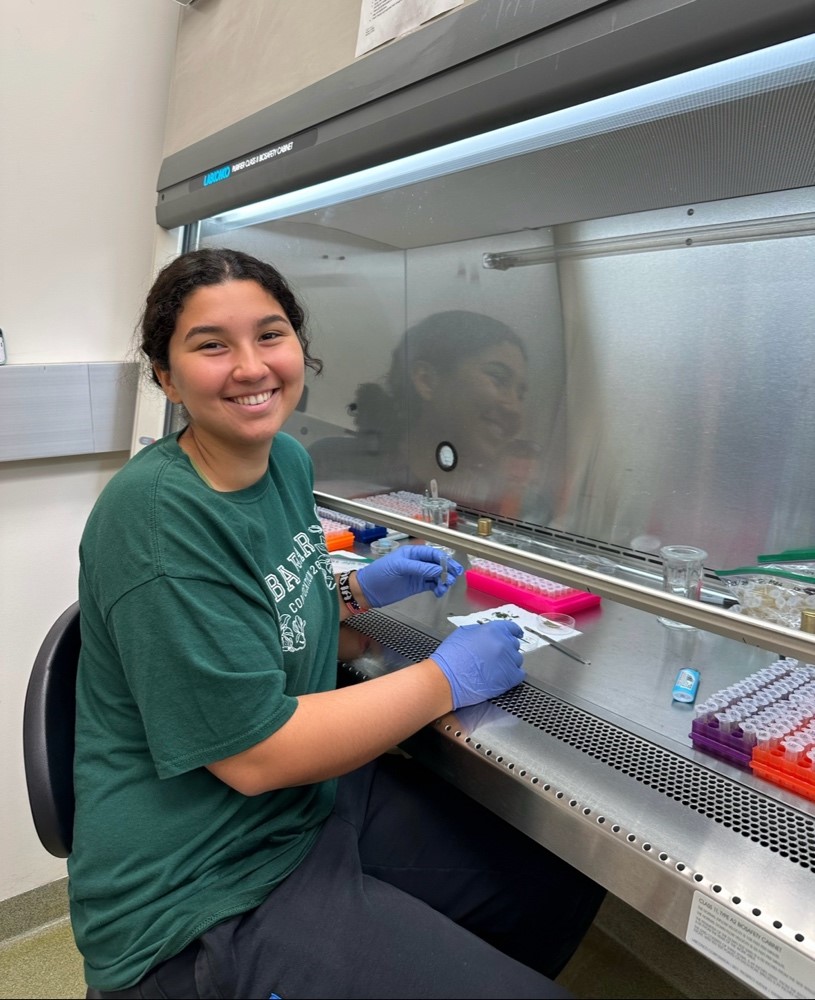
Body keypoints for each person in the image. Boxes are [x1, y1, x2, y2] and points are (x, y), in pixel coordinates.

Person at [71, 247, 604, 1000]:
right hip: (197, 883)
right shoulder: (158, 521)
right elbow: (256, 755)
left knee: (554, 881)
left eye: (271, 333)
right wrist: (444, 676)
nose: (251, 366)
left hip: (303, 812)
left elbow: (265, 601)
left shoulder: (284, 462)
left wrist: (349, 595)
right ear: (166, 376)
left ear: (300, 348)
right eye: (211, 345)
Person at [309, 309, 546, 516]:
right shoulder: (330, 463)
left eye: (520, 394)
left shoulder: (504, 499)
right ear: (427, 380)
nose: (514, 407)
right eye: (498, 378)